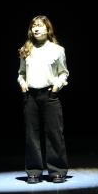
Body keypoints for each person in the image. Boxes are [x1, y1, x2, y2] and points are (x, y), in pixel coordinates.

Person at [17, 15, 70, 182]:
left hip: (49, 95)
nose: (36, 29)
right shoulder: (26, 49)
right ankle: (34, 171)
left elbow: (64, 72)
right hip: (31, 96)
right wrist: (22, 83)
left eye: (40, 25)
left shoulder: (57, 50)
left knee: (54, 133)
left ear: (48, 29)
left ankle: (57, 171)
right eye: (33, 26)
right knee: (31, 135)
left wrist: (56, 87)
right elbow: (21, 73)